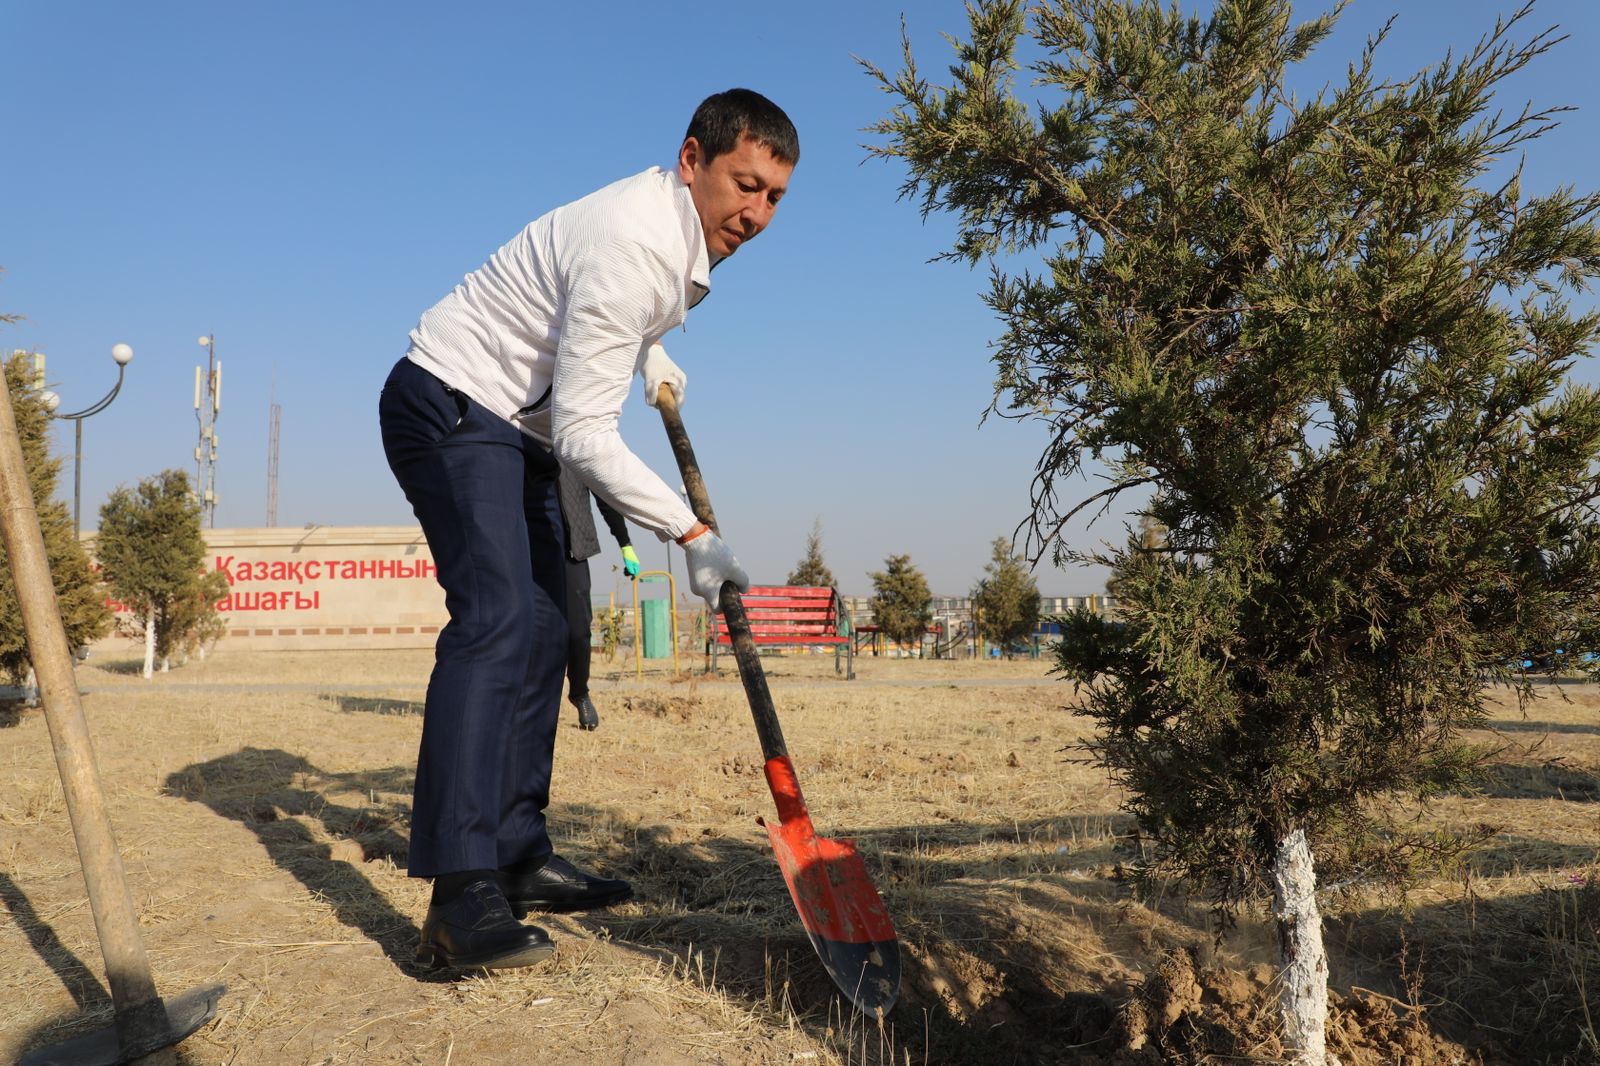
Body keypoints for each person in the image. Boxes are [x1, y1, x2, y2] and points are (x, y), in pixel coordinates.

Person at [378, 89, 796, 972]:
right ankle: (460, 894)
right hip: (452, 400)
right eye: (743, 185)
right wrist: (688, 534)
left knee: (552, 629)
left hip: (515, 424)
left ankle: (519, 854)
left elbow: (590, 320)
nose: (755, 214)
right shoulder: (636, 243)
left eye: (774, 198)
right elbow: (584, 434)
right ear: (692, 160)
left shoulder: (668, 233)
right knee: (496, 623)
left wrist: (650, 346)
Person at [557, 465, 638, 731]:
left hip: (573, 550)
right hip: (530, 548)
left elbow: (604, 498)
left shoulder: (574, 448)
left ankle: (579, 692)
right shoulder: (522, 440)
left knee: (579, 631)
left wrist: (625, 543)